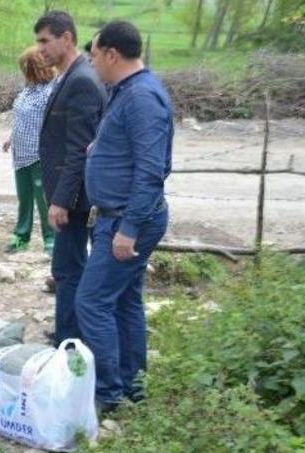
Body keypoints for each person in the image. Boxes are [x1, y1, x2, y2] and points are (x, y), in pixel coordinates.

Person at [77, 20, 173, 413]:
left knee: (91, 301)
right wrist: (101, 149)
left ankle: (106, 393)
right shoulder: (127, 91)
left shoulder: (142, 98)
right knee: (125, 301)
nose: (92, 61)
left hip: (127, 220)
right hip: (119, 216)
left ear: (112, 54)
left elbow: (153, 170)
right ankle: (134, 385)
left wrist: (128, 229)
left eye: (95, 54)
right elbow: (133, 148)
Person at [34, 11, 107, 345]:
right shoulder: (68, 76)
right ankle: (69, 332)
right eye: (38, 41)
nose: (40, 49)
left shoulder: (81, 80)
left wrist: (61, 199)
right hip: (68, 193)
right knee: (68, 265)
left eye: (45, 41)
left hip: (75, 198)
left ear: (68, 38)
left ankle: (69, 338)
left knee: (68, 267)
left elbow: (80, 149)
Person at [2, 46, 56, 255]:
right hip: (20, 153)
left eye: (26, 68)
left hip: (38, 155)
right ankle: (21, 236)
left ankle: (50, 239)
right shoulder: (26, 90)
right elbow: (21, 118)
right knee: (24, 199)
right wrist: (11, 138)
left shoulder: (50, 91)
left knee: (43, 201)